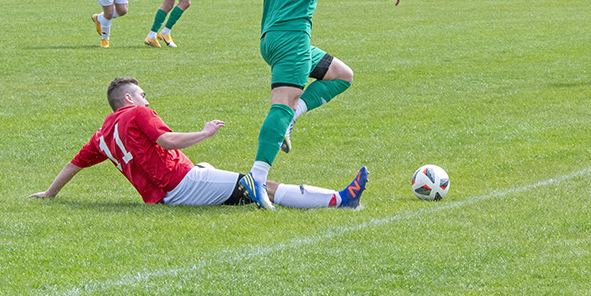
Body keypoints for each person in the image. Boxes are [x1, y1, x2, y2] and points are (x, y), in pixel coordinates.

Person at [217, 0, 399, 210]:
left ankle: (290, 122)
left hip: (270, 37)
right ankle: (257, 182)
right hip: (293, 39)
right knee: (281, 105)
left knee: (342, 76)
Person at [28, 77, 368, 210]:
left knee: (211, 170)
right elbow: (167, 139)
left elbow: (74, 165)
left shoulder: (103, 133)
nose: (147, 100)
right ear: (129, 98)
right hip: (180, 185)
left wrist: (50, 193)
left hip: (169, 191)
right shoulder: (136, 114)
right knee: (258, 183)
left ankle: (247, 194)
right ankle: (339, 200)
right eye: (143, 94)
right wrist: (205, 133)